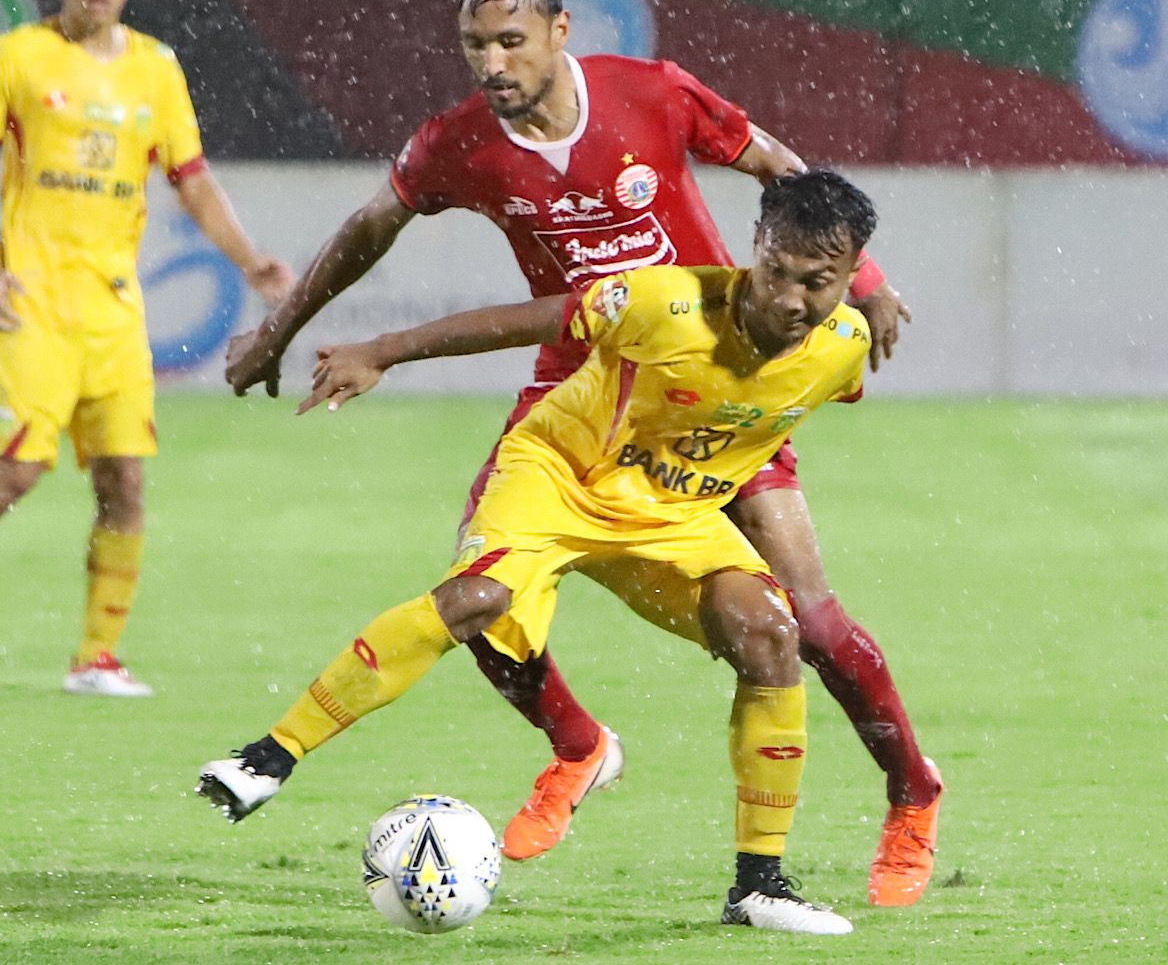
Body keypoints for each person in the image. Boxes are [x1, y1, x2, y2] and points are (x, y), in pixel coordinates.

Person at [223, 0, 940, 904]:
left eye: (510, 40)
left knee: (805, 623)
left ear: (561, 32)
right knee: (479, 597)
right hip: (587, 392)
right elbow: (369, 228)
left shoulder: (653, 94)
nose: (491, 63)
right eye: (474, 44)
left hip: (718, 391)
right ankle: (580, 746)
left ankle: (911, 792)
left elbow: (784, 175)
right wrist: (280, 332)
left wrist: (868, 281)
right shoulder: (459, 143)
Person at [203, 171, 891, 935]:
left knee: (770, 633)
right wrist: (384, 350)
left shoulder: (843, 348)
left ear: (851, 274)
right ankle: (269, 756)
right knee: (476, 600)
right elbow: (523, 321)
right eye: (777, 273)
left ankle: (759, 886)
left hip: (667, 516)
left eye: (817, 283)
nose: (791, 300)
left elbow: (763, 409)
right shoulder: (663, 301)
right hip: (558, 475)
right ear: (754, 250)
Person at [0, 0, 294, 700]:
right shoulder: (19, 56)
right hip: (32, 298)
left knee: (125, 482)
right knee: (15, 472)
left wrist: (249, 258)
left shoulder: (155, 69)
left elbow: (192, 178)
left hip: (114, 310)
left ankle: (96, 657)